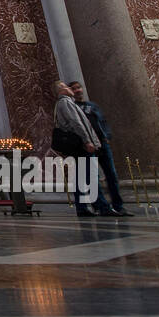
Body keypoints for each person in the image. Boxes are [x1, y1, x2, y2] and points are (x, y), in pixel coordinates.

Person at [70, 80, 132, 217]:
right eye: (74, 89)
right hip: (85, 146)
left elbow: (103, 121)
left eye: (78, 87)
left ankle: (118, 206)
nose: (78, 90)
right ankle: (101, 206)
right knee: (92, 177)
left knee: (112, 175)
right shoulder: (71, 107)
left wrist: (107, 137)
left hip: (102, 144)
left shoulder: (92, 106)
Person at [53, 81, 101, 217]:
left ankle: (86, 206)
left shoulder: (66, 102)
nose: (70, 89)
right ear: (61, 90)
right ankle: (94, 205)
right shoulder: (65, 103)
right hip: (79, 143)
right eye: (67, 87)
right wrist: (87, 141)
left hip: (78, 144)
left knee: (82, 175)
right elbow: (76, 123)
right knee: (87, 175)